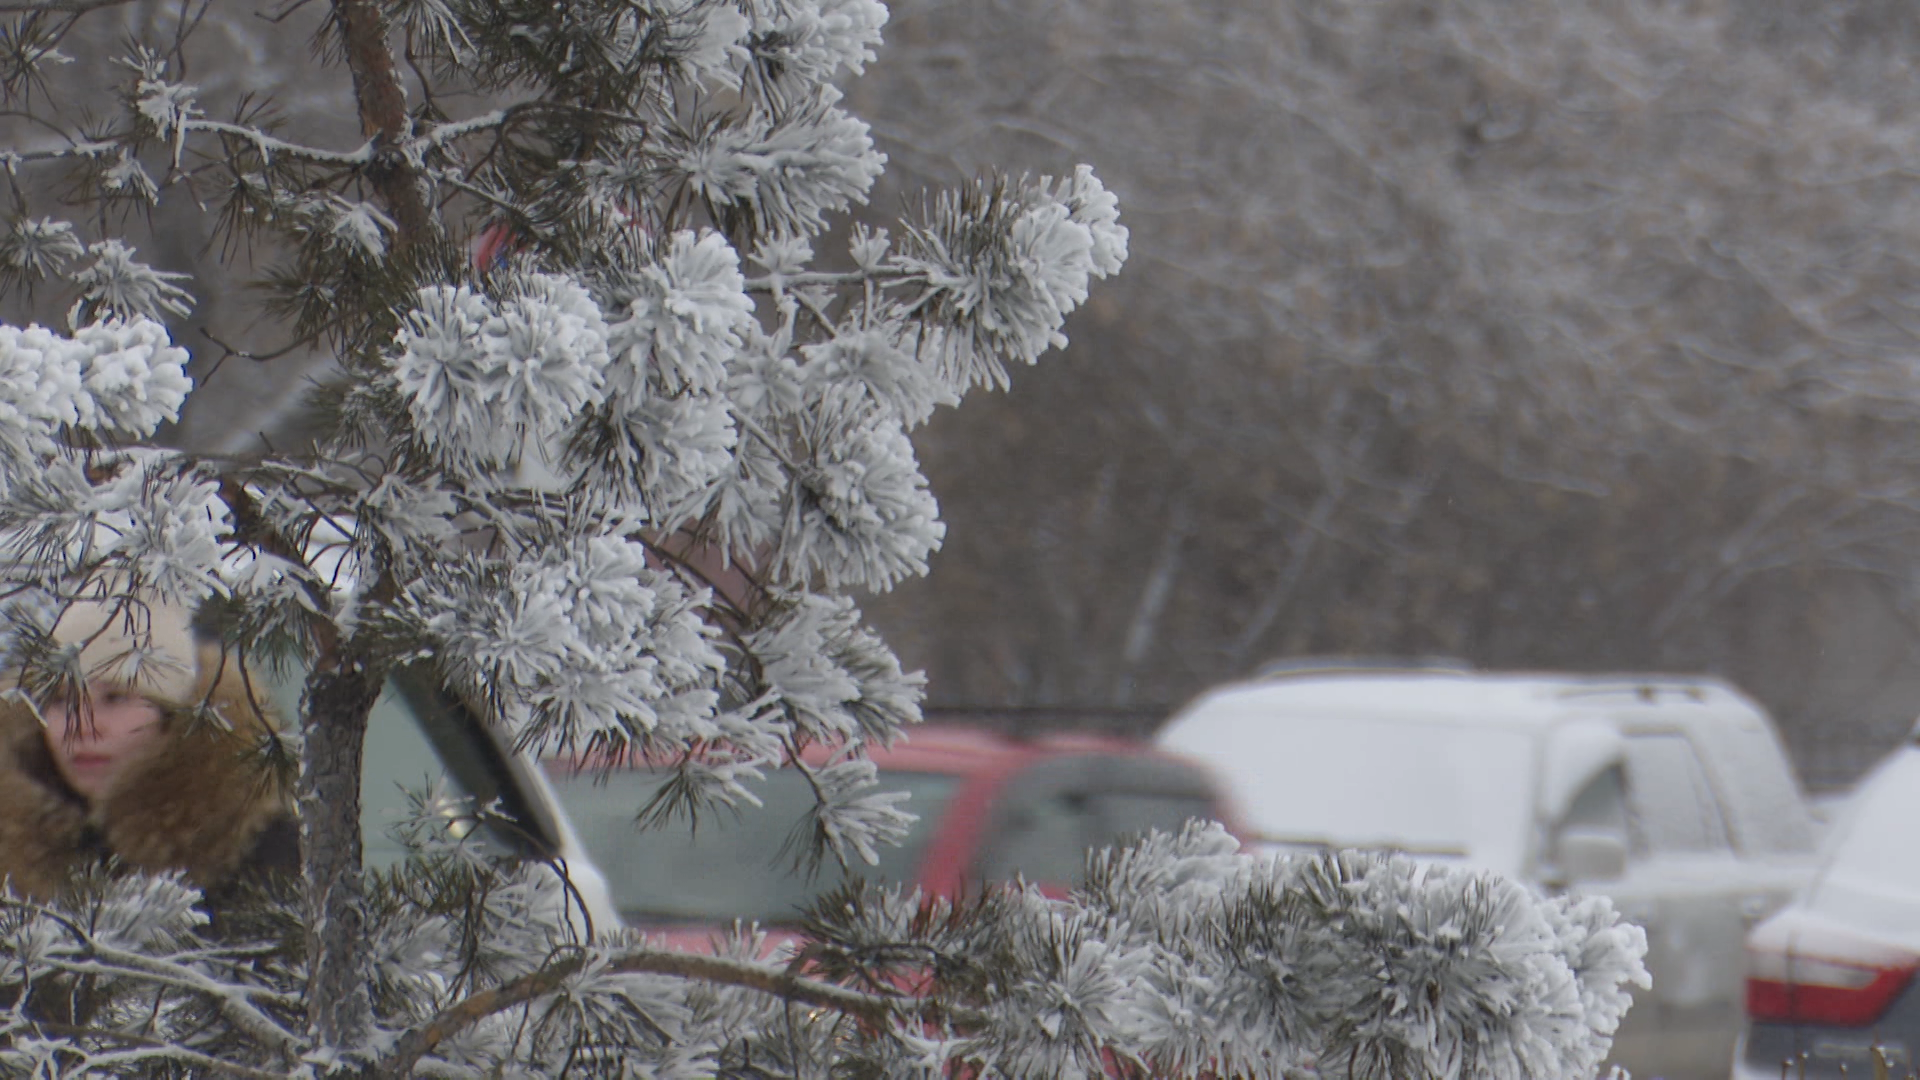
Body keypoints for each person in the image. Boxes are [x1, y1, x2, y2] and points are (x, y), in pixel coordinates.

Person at [0, 597, 297, 904]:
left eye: (115, 698)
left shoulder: (277, 862)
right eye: (61, 700)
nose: (81, 726)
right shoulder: (11, 863)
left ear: (177, 716)